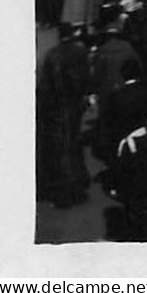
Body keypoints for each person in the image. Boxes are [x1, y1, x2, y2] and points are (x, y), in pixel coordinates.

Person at [36, 22, 91, 208]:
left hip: (59, 108)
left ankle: (67, 193)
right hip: (76, 104)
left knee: (61, 149)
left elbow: (47, 87)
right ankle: (81, 180)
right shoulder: (80, 50)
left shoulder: (52, 55)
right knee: (74, 142)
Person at [106, 117, 147, 240]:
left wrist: (116, 188)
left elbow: (122, 169)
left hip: (132, 190)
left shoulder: (128, 144)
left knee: (135, 217)